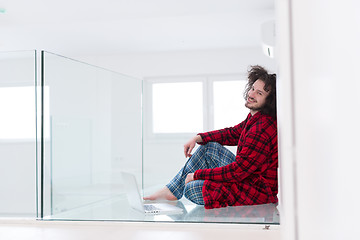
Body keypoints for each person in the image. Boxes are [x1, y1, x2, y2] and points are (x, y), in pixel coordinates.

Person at [144, 65, 278, 209]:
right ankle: (171, 191)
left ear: (269, 101)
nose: (251, 94)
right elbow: (232, 133)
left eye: (259, 93)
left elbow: (238, 171)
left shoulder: (261, 128)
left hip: (256, 191)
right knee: (209, 148)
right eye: (252, 88)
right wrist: (198, 138)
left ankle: (172, 190)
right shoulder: (256, 118)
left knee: (191, 188)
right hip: (249, 179)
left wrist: (197, 175)